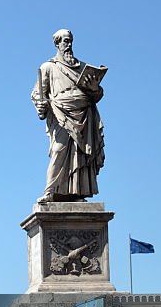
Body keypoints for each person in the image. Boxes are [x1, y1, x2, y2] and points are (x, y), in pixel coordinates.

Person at [31, 29, 106, 203]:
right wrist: (40, 105)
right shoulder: (48, 67)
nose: (68, 45)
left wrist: (95, 88)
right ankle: (50, 191)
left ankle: (77, 193)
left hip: (84, 115)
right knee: (59, 150)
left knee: (79, 154)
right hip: (60, 114)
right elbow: (37, 93)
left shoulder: (82, 68)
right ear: (57, 43)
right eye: (65, 41)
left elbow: (96, 95)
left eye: (70, 41)